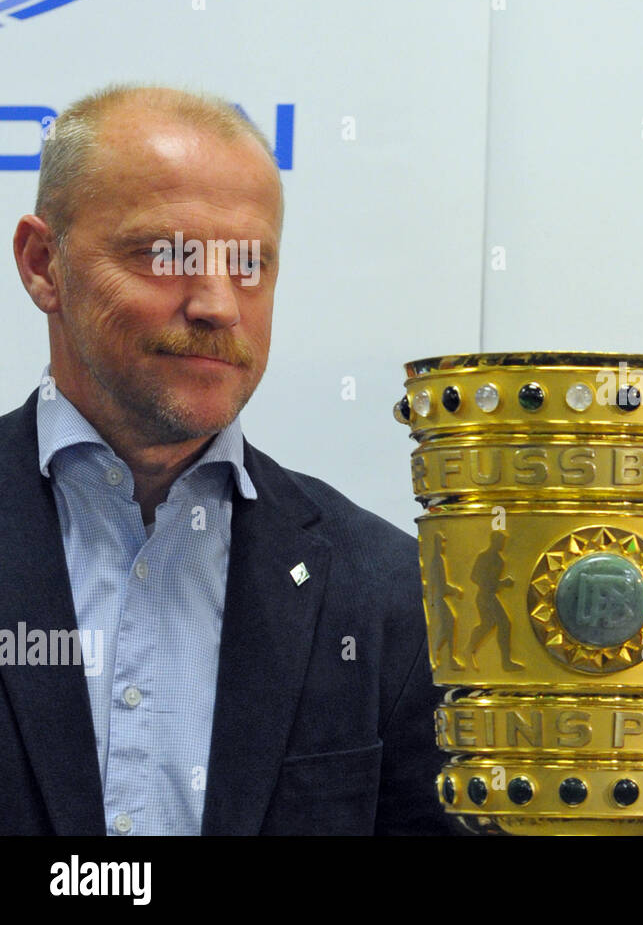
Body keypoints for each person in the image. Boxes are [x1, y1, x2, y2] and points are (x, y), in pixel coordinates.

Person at [0, 85, 445, 834]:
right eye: (162, 254)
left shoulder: (388, 592)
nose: (217, 304)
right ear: (45, 264)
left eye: (249, 264)